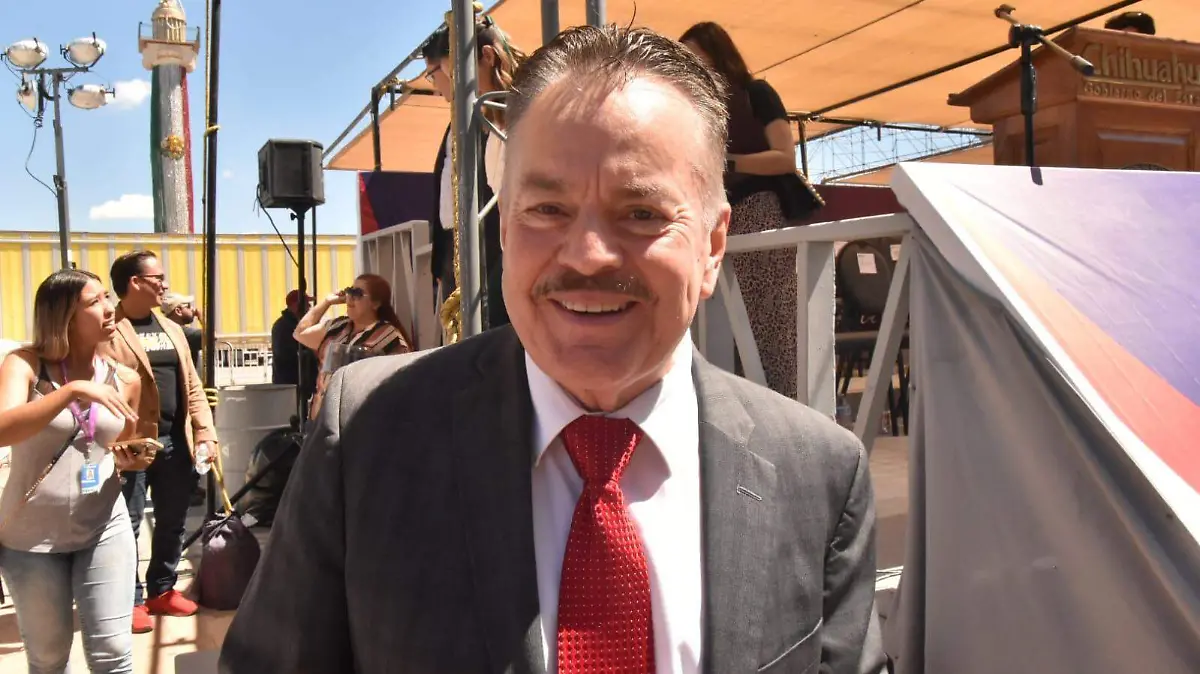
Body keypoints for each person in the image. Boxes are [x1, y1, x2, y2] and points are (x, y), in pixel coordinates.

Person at [221, 25, 884, 674]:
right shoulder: (367, 434)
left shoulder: (820, 476)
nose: (588, 255)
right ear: (505, 229)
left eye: (642, 213)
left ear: (713, 247)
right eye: (547, 210)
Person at [0, 269, 144, 673]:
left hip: (104, 526)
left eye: (106, 297)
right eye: (94, 302)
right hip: (31, 539)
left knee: (113, 653)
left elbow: (119, 443)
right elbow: (3, 429)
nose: (109, 308)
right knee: (48, 660)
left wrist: (129, 457)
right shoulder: (24, 364)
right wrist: (70, 392)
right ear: (63, 314)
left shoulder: (125, 378)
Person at [679, 21, 823, 400]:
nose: (694, 70)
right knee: (720, 322)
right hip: (713, 220)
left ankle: (786, 403)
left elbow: (784, 158)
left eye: (700, 61)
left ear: (720, 57)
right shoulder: (695, 110)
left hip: (758, 213)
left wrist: (729, 163)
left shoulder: (757, 94)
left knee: (770, 320)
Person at [101, 250, 218, 634]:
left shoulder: (170, 328)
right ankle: (130, 600)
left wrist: (205, 432)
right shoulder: (109, 329)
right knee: (128, 524)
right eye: (158, 278)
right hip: (130, 445)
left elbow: (192, 386)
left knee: (172, 521)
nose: (165, 285)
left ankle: (162, 590)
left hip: (176, 442)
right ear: (135, 282)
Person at [422, 6, 526, 332]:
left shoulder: (525, 110)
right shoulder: (485, 120)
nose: (453, 87)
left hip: (515, 250)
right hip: (499, 250)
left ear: (487, 57)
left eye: (455, 75)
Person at [292, 273, 411, 418]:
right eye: (349, 291)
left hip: (360, 418)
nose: (350, 297)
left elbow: (402, 382)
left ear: (375, 303)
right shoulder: (336, 326)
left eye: (358, 293)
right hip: (321, 418)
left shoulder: (389, 336)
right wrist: (327, 302)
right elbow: (300, 333)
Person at [270, 289, 316, 393]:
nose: (309, 307)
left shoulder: (297, 324)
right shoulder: (283, 326)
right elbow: (286, 355)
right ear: (295, 306)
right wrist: (311, 353)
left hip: (300, 383)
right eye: (306, 303)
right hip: (290, 385)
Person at [160, 293, 202, 372]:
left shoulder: (166, 329)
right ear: (178, 311)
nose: (193, 309)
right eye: (188, 306)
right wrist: (202, 317)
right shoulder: (184, 333)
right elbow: (212, 336)